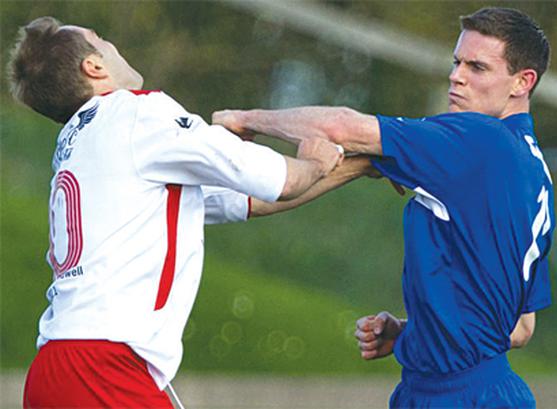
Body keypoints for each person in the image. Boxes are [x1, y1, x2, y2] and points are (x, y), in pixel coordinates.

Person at [8, 16, 379, 408]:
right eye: (101, 39)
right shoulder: (135, 111)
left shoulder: (79, 145)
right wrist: (317, 161)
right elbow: (279, 181)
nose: (113, 44)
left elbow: (242, 199)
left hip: (54, 370)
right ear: (94, 66)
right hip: (104, 367)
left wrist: (361, 165)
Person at [212, 7, 554, 408]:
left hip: (461, 397)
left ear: (522, 82)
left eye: (477, 67)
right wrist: (414, 333)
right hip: (469, 387)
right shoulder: (535, 171)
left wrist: (243, 120)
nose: (456, 76)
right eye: (456, 61)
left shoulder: (479, 140)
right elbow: (519, 327)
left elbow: (340, 127)